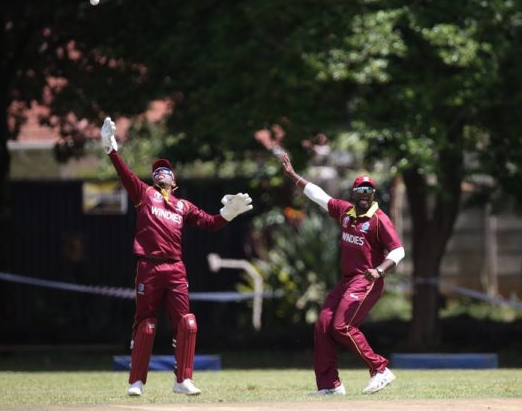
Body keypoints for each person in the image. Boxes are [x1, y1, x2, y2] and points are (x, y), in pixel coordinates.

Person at [101, 117, 253, 396]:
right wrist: (111, 150)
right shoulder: (145, 194)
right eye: (157, 171)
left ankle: (183, 380)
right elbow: (125, 174)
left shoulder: (183, 206)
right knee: (147, 326)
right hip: (148, 266)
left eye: (166, 171)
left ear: (174, 181)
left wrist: (228, 213)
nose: (161, 173)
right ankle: (136, 381)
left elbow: (210, 223)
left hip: (175, 268)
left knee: (187, 322)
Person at [279, 152, 405, 395]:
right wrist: (293, 175)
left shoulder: (379, 220)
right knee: (323, 326)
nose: (365, 195)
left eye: (369, 191)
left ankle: (380, 369)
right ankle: (330, 385)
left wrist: (379, 271)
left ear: (373, 194)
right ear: (353, 194)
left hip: (367, 280)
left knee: (342, 326)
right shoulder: (345, 212)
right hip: (346, 281)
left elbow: (398, 251)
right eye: (361, 191)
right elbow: (319, 195)